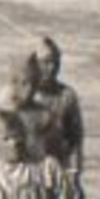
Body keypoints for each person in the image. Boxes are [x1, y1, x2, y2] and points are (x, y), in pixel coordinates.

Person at [33, 36, 85, 187]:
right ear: (34, 64)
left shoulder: (67, 96)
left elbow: (75, 140)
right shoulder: (22, 96)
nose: (52, 67)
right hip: (30, 175)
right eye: (46, 62)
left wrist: (75, 176)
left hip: (60, 172)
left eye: (56, 62)